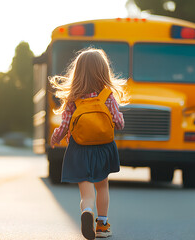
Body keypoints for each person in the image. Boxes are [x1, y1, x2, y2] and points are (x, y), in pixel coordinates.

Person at [50, 48, 128, 239]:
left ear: (77, 73)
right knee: (102, 187)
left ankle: (87, 211)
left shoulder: (73, 99)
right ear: (103, 71)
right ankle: (102, 225)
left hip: (79, 149)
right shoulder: (107, 96)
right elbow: (118, 123)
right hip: (103, 148)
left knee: (86, 192)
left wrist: (56, 137)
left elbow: (65, 125)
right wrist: (118, 118)